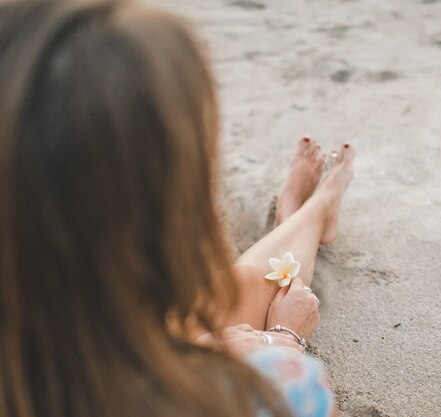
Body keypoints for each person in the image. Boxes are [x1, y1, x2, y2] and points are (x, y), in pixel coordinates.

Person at [0, 1, 356, 417]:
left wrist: (200, 348)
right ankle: (318, 209)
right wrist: (280, 342)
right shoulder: (275, 390)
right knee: (252, 289)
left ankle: (305, 214)